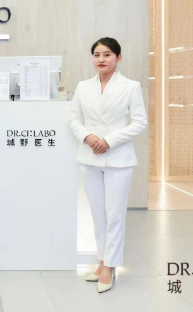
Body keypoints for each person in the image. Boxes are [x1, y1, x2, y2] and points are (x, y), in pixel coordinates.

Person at [67, 37, 148, 294]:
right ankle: (102, 260)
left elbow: (140, 122)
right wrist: (88, 137)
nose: (101, 59)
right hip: (89, 156)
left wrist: (108, 141)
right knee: (98, 213)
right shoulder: (83, 87)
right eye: (97, 55)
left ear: (118, 58)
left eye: (107, 54)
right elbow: (73, 119)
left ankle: (110, 266)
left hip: (118, 158)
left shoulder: (131, 87)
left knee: (115, 215)